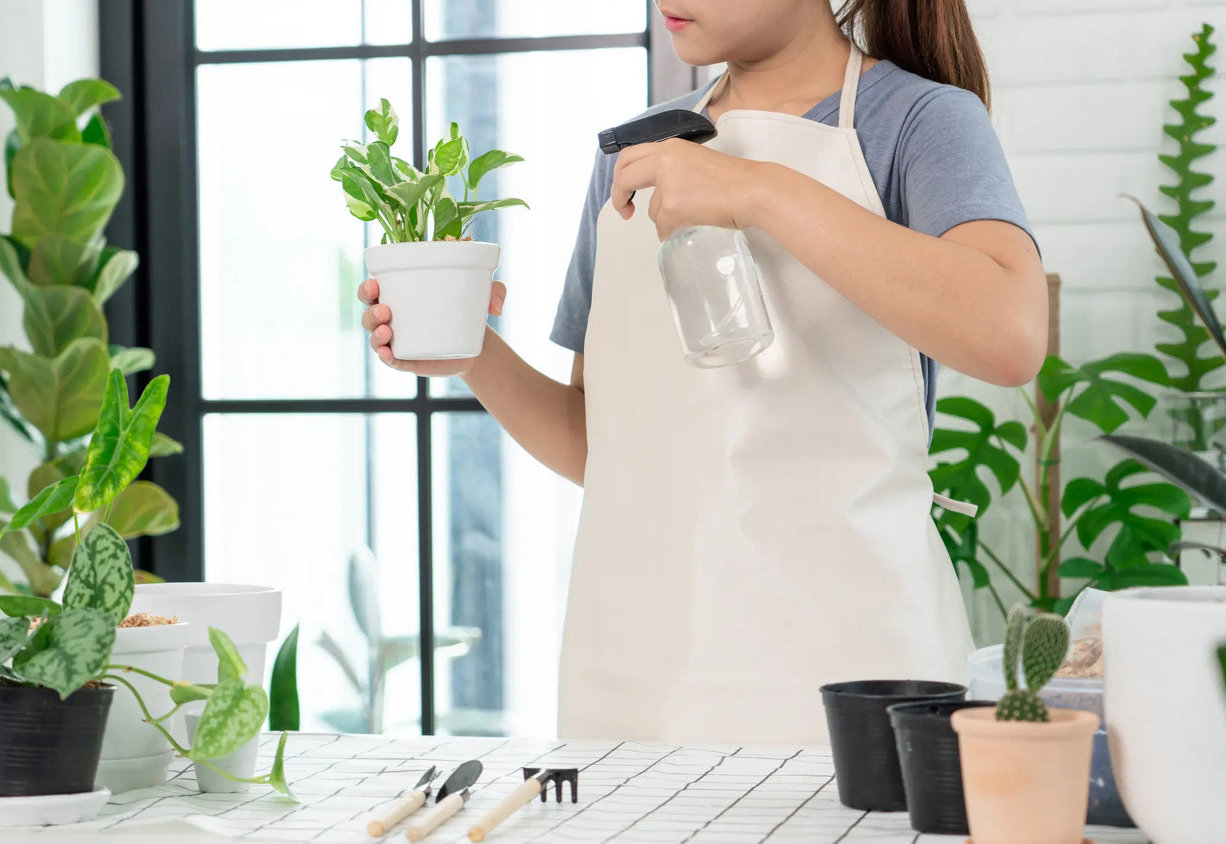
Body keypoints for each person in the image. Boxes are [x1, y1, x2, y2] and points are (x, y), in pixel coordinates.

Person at [358, 0, 1046, 744]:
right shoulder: (637, 155)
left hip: (850, 675)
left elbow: (1007, 334)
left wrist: (753, 188)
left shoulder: (916, 120)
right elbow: (601, 445)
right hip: (638, 679)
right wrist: (475, 354)